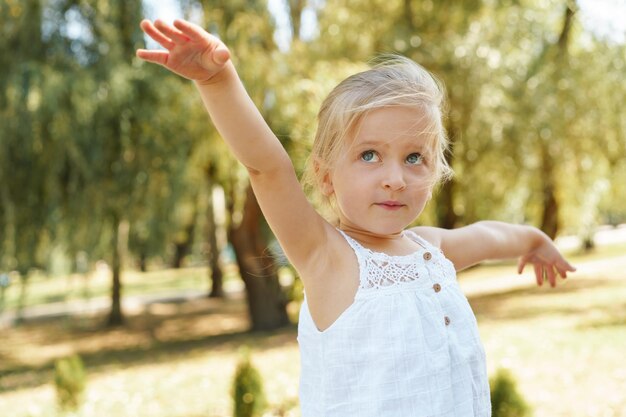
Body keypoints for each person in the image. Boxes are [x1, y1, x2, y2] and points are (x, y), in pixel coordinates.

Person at [137, 18, 576, 417]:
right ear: (326, 178)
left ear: (436, 170)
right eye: (369, 155)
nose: (394, 179)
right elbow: (266, 166)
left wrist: (532, 239)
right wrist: (217, 80)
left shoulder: (431, 248)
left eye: (414, 157)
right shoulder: (327, 257)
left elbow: (487, 235)